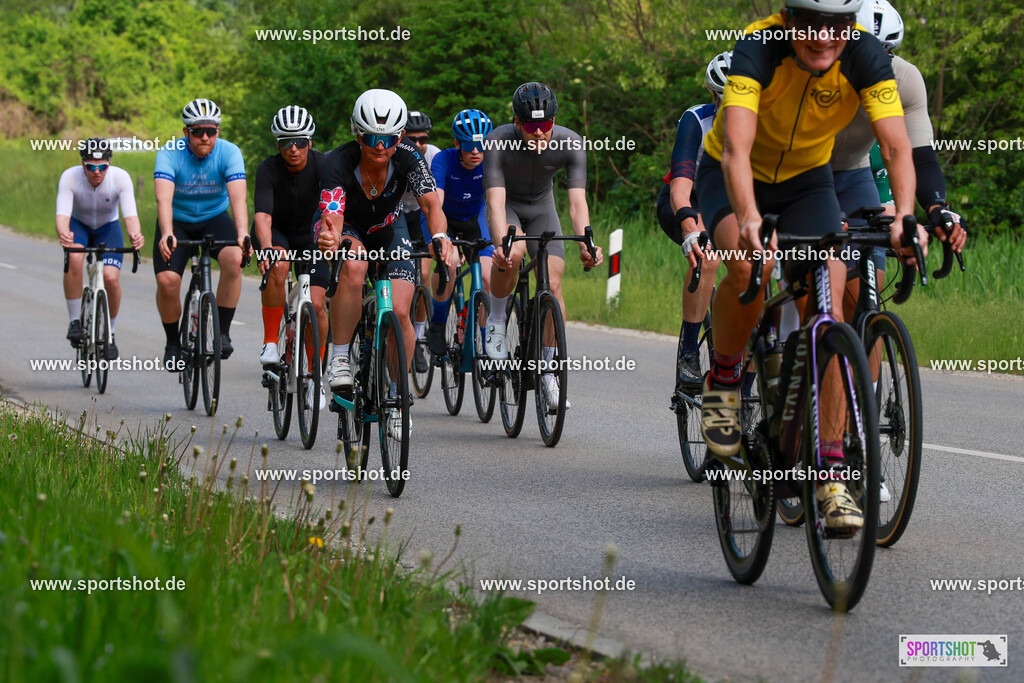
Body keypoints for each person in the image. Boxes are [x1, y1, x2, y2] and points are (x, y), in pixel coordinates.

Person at [694, 0, 927, 530]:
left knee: (832, 297)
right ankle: (725, 382)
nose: (823, 37)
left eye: (837, 25)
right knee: (745, 265)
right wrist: (750, 216)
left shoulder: (865, 55)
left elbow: (895, 145)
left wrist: (906, 215)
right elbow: (735, 147)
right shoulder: (759, 45)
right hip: (735, 174)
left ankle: (829, 472)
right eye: (809, 23)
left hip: (808, 181)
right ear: (786, 18)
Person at [314, 89, 457, 436]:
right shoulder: (336, 162)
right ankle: (340, 358)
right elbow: (331, 216)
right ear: (357, 133)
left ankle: (397, 394)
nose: (380, 146)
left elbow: (430, 205)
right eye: (371, 138)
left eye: (389, 138)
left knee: (402, 311)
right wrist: (332, 238)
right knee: (354, 265)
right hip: (349, 227)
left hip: (390, 229)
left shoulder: (409, 157)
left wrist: (439, 237)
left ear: (401, 136)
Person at [831, 0, 967, 315]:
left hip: (854, 172)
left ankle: (866, 362)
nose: (872, 62)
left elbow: (919, 155)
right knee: (810, 291)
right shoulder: (815, 70)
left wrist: (936, 209)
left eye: (884, 53)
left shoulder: (904, 79)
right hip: (801, 171)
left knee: (868, 297)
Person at [482, 82, 603, 411]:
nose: (540, 133)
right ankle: (495, 319)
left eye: (546, 125)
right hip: (508, 205)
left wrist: (586, 243)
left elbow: (577, 204)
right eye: (532, 127)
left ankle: (549, 371)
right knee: (514, 252)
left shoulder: (570, 142)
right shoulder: (497, 141)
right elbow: (495, 203)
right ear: (518, 123)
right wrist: (502, 242)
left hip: (542, 209)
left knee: (553, 281)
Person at [154, 98, 249, 368]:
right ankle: (173, 342)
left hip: (214, 218)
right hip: (178, 220)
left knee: (234, 259)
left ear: (218, 131)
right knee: (168, 282)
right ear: (186, 133)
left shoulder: (229, 152)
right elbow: (163, 199)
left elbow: (238, 199)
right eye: (197, 132)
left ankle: (222, 332)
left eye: (211, 131)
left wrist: (242, 233)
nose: (205, 137)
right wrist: (167, 232)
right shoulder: (169, 152)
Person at [656, 52, 730, 392]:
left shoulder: (766, 121)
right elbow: (681, 182)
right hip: (688, 200)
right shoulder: (695, 120)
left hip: (732, 202)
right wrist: (689, 224)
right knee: (709, 254)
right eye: (724, 98)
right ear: (713, 95)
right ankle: (689, 349)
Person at [252, 105, 330, 410]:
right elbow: (262, 216)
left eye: (299, 142)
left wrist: (330, 238)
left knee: (319, 304)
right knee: (279, 265)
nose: (293, 149)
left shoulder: (325, 166)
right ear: (277, 145)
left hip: (313, 234)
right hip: (279, 233)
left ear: (310, 142)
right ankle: (271, 341)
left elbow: (332, 210)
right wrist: (268, 248)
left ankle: (315, 375)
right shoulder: (268, 169)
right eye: (286, 143)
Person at [57, 138, 145, 359]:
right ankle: (74, 321)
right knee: (75, 260)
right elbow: (62, 215)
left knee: (111, 278)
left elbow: (130, 215)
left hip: (108, 228)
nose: (97, 172)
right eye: (91, 167)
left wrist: (135, 235)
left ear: (109, 163)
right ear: (83, 164)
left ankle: (111, 333)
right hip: (79, 225)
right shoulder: (70, 177)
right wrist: (64, 233)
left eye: (102, 166)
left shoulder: (120, 177)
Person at [424, 108, 497, 359]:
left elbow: (497, 200)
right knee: (451, 263)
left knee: (488, 277)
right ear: (457, 144)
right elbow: (438, 200)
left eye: (481, 145)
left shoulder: (491, 160)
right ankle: (438, 322)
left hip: (476, 219)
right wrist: (442, 237)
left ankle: (486, 337)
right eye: (468, 145)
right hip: (447, 219)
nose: (476, 151)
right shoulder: (443, 160)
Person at [399, 111, 442, 372]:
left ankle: (416, 338)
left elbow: (436, 202)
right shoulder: (396, 151)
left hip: (421, 213)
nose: (418, 145)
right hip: (397, 213)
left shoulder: (433, 155)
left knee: (423, 274)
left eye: (423, 139)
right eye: (412, 139)